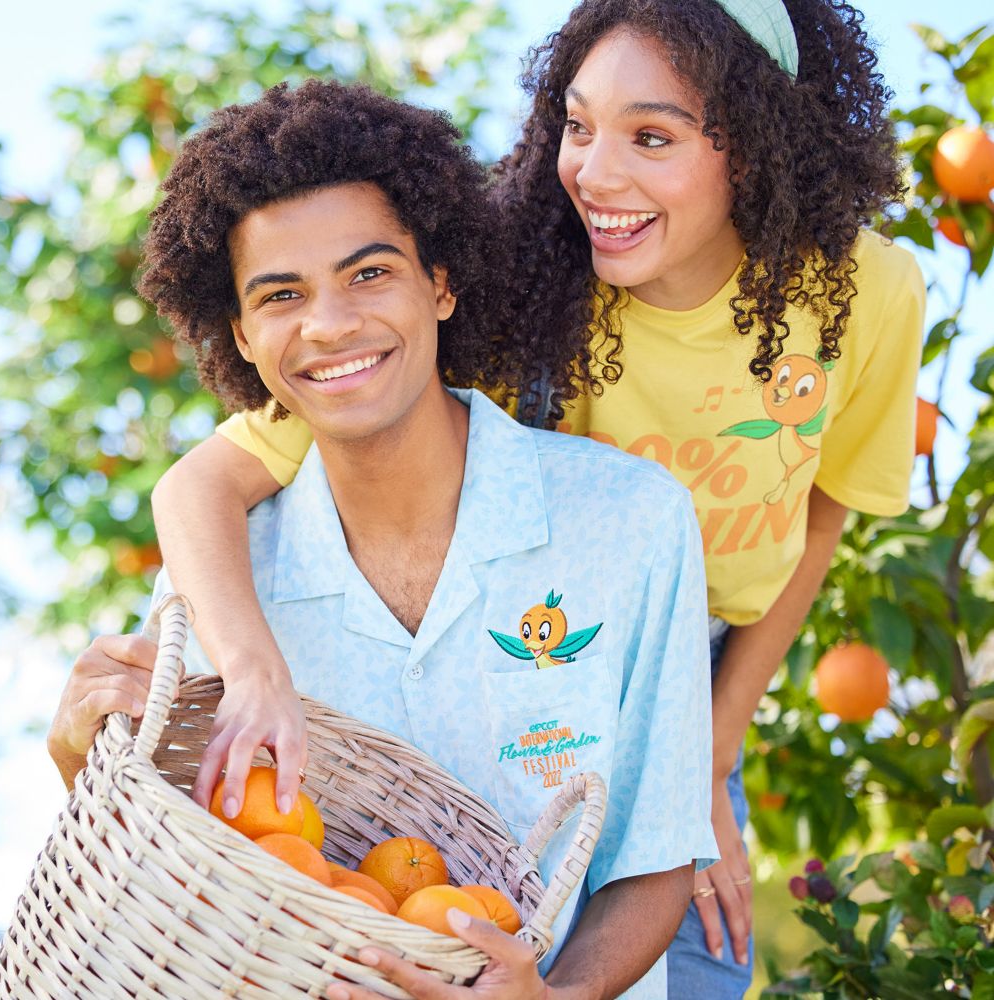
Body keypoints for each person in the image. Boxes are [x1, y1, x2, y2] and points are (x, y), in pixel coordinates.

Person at [149, 1, 926, 996]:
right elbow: (210, 477)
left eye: (651, 135)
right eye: (576, 124)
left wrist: (710, 744)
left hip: (703, 657)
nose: (595, 174)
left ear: (762, 140)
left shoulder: (863, 292)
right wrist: (251, 670)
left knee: (690, 937)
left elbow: (821, 505)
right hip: (538, 654)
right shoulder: (519, 275)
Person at [47, 79, 718, 1000]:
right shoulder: (226, 577)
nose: (330, 325)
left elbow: (651, 859)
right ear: (242, 337)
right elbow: (179, 862)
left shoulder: (630, 520)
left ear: (440, 283)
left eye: (369, 274)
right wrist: (76, 760)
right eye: (282, 295)